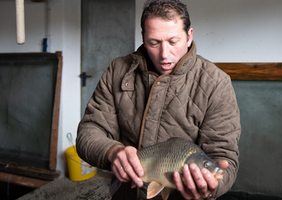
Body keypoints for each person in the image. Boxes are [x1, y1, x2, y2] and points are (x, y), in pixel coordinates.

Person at [76, 0, 241, 199]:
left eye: (173, 42)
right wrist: (112, 151)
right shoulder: (118, 70)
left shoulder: (216, 83)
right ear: (143, 38)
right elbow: (89, 132)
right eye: (154, 43)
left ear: (189, 37)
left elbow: (224, 158)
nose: (164, 54)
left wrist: (213, 187)